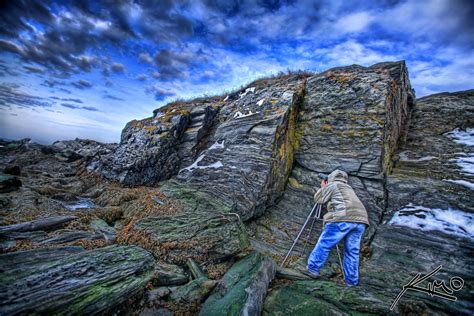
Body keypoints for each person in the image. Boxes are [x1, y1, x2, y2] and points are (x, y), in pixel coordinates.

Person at [302, 169, 369, 287]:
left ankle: (312, 269)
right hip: (361, 221)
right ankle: (351, 282)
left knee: (325, 243)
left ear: (330, 178)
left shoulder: (333, 185)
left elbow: (319, 199)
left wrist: (323, 187)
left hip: (343, 218)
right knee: (352, 252)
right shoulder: (348, 188)